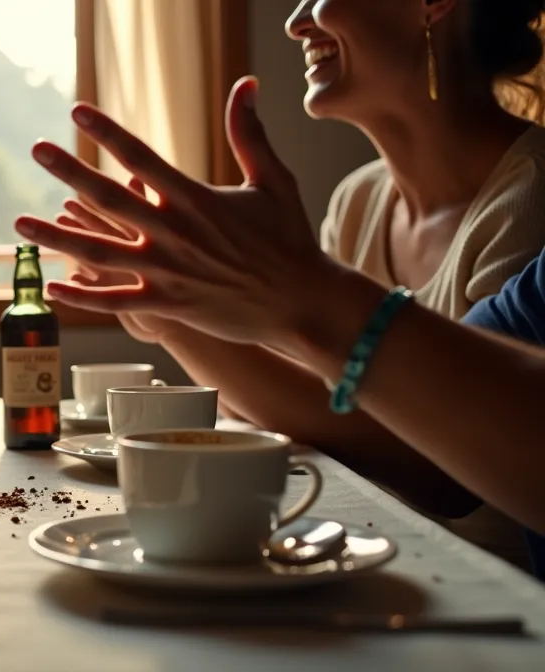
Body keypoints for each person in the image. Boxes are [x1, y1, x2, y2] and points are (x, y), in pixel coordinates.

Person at [48, 0, 545, 568]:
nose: (296, 22)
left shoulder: (530, 201)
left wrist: (300, 296)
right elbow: (325, 415)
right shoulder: (360, 200)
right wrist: (173, 318)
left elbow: (436, 474)